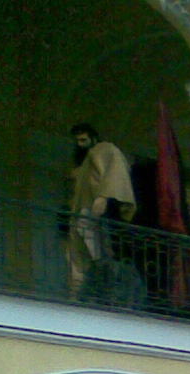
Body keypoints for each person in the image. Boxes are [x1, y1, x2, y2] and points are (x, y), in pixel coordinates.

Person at [67, 122, 136, 295]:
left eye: (83, 140)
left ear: (93, 138)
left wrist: (103, 196)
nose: (80, 144)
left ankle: (101, 261)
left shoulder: (105, 149)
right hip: (85, 205)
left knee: (89, 228)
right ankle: (96, 263)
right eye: (78, 141)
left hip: (100, 206)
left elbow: (115, 170)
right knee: (84, 232)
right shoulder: (84, 160)